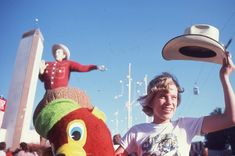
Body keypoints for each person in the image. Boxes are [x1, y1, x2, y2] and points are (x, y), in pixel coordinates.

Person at [115, 52, 235, 155]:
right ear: (150, 101)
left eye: (174, 97)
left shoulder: (186, 126)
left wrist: (224, 77)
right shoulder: (136, 131)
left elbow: (230, 118)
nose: (169, 102)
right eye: (162, 96)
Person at [33, 43, 106, 121]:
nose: (56, 53)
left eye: (59, 52)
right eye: (56, 52)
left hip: (61, 94)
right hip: (48, 94)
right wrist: (40, 72)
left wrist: (95, 67)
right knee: (43, 115)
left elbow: (82, 68)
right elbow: (42, 79)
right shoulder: (47, 64)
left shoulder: (68, 63)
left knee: (62, 115)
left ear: (64, 55)